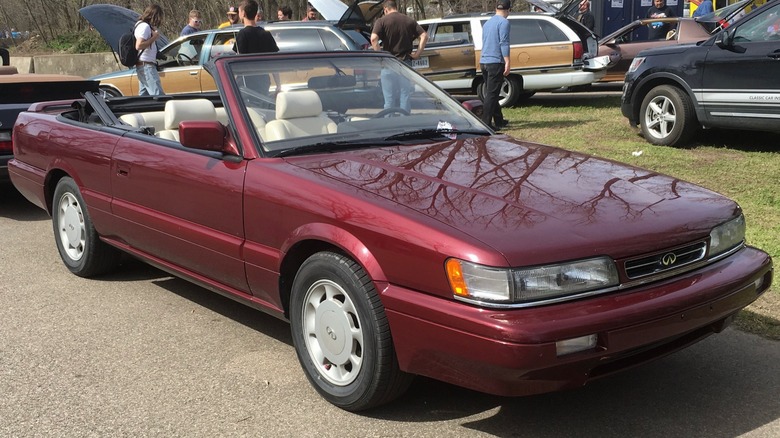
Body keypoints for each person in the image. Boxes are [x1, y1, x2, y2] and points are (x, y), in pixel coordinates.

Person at [370, 0, 428, 112]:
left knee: (389, 99)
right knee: (405, 96)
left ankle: (389, 124)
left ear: (385, 9)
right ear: (396, 7)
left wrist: (381, 56)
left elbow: (373, 39)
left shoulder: (381, 21)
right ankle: (405, 124)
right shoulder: (409, 20)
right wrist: (417, 54)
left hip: (388, 64)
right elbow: (424, 36)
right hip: (405, 64)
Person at [233, 0, 279, 95]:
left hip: (246, 83)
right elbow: (274, 62)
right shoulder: (266, 34)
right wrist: (278, 84)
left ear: (243, 13)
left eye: (239, 11)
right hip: (263, 80)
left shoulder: (242, 34)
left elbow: (239, 61)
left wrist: (233, 81)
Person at [480, 0, 511, 130]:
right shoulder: (504, 22)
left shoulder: (487, 23)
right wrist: (507, 61)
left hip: (484, 61)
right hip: (495, 62)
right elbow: (503, 42)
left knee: (492, 92)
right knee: (492, 95)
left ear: (496, 8)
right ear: (509, 10)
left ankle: (499, 120)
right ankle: (485, 124)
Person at [135, 4, 164, 96]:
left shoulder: (143, 25)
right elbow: (139, 45)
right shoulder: (144, 27)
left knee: (144, 98)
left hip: (144, 66)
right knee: (158, 95)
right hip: (146, 66)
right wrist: (154, 37)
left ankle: (140, 110)